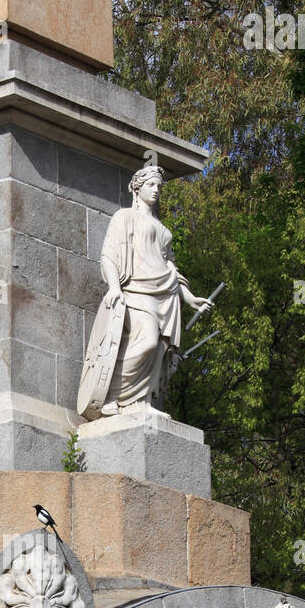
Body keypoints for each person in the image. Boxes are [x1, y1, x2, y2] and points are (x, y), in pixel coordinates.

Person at [80, 164, 213, 418]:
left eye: (159, 186)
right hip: (136, 290)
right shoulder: (124, 217)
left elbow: (172, 270)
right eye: (151, 185)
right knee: (148, 341)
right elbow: (108, 255)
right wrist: (115, 287)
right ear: (137, 188)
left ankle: (139, 402)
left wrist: (191, 299)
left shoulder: (164, 231)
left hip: (166, 295)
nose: (156, 190)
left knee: (157, 351)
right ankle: (112, 393)